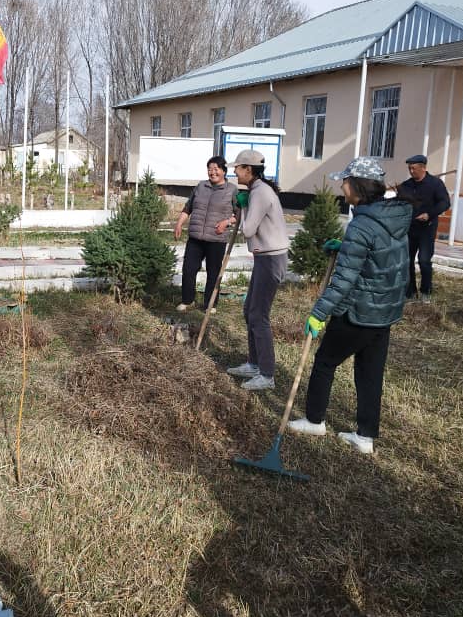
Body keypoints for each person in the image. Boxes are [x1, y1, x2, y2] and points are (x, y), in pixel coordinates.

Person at [287, 157, 412, 454]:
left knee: (325, 362)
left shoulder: (362, 225)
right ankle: (365, 436)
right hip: (385, 312)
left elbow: (343, 280)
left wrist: (318, 313)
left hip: (359, 311)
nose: (341, 187)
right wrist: (344, 247)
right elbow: (380, 256)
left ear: (357, 186)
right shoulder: (393, 215)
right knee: (370, 373)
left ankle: (315, 420)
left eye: (344, 181)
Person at [225, 150, 289, 391]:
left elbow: (249, 230)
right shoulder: (256, 190)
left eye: (238, 168)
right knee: (249, 310)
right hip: (265, 258)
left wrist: (243, 210)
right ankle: (254, 363)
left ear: (249, 170)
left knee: (259, 315)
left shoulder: (260, 193)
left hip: (272, 260)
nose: (234, 172)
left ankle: (267, 374)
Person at [173, 155, 238, 313]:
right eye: (210, 169)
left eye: (216, 169)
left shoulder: (232, 190)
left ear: (224, 171)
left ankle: (210, 304)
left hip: (216, 238)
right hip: (195, 237)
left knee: (213, 272)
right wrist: (179, 224)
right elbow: (188, 208)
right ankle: (187, 300)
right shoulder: (200, 187)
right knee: (189, 268)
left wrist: (226, 222)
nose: (212, 172)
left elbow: (240, 215)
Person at [400, 154, 449, 301]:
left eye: (414, 168)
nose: (411, 171)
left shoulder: (435, 184)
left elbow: (445, 203)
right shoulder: (406, 185)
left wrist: (429, 214)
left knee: (424, 260)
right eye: (409, 168)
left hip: (427, 228)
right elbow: (400, 204)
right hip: (409, 229)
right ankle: (410, 292)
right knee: (407, 261)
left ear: (423, 168)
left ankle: (426, 291)